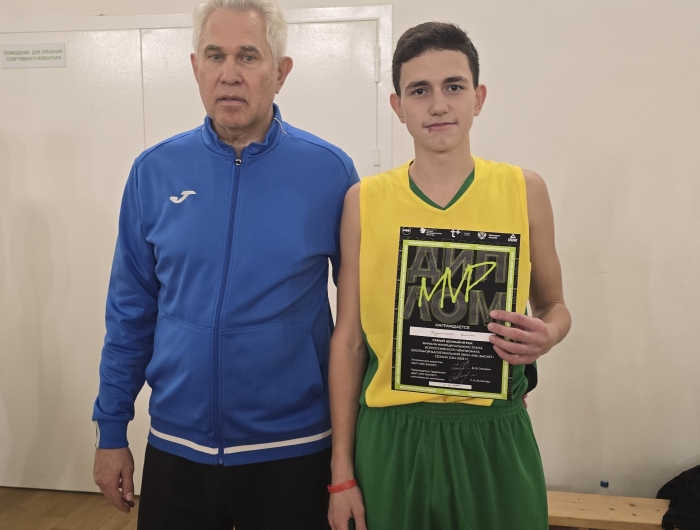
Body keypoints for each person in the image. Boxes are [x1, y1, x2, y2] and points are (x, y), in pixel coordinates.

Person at [92, 0, 358, 528]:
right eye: (215, 56)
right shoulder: (154, 171)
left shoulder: (330, 173)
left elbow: (359, 325)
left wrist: (350, 459)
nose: (229, 74)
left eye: (248, 56)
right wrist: (111, 429)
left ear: (280, 72)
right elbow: (129, 313)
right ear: (196, 67)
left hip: (294, 449)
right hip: (178, 445)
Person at [327, 22, 571, 530]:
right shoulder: (364, 201)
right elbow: (349, 341)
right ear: (398, 106)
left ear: (478, 98)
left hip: (493, 431)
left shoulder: (524, 190)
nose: (438, 105)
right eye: (420, 90)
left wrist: (546, 335)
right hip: (393, 434)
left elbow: (555, 307)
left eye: (453, 86)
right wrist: (341, 473)